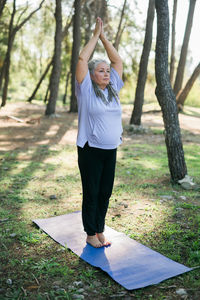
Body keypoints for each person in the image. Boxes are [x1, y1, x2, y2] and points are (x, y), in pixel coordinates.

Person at [75, 17, 124, 248]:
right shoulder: (86, 89)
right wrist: (96, 35)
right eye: (101, 71)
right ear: (92, 75)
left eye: (107, 71)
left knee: (105, 192)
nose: (106, 73)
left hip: (110, 149)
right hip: (90, 150)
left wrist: (105, 37)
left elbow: (117, 60)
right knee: (92, 192)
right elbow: (83, 58)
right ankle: (90, 233)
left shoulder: (112, 89)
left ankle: (99, 229)